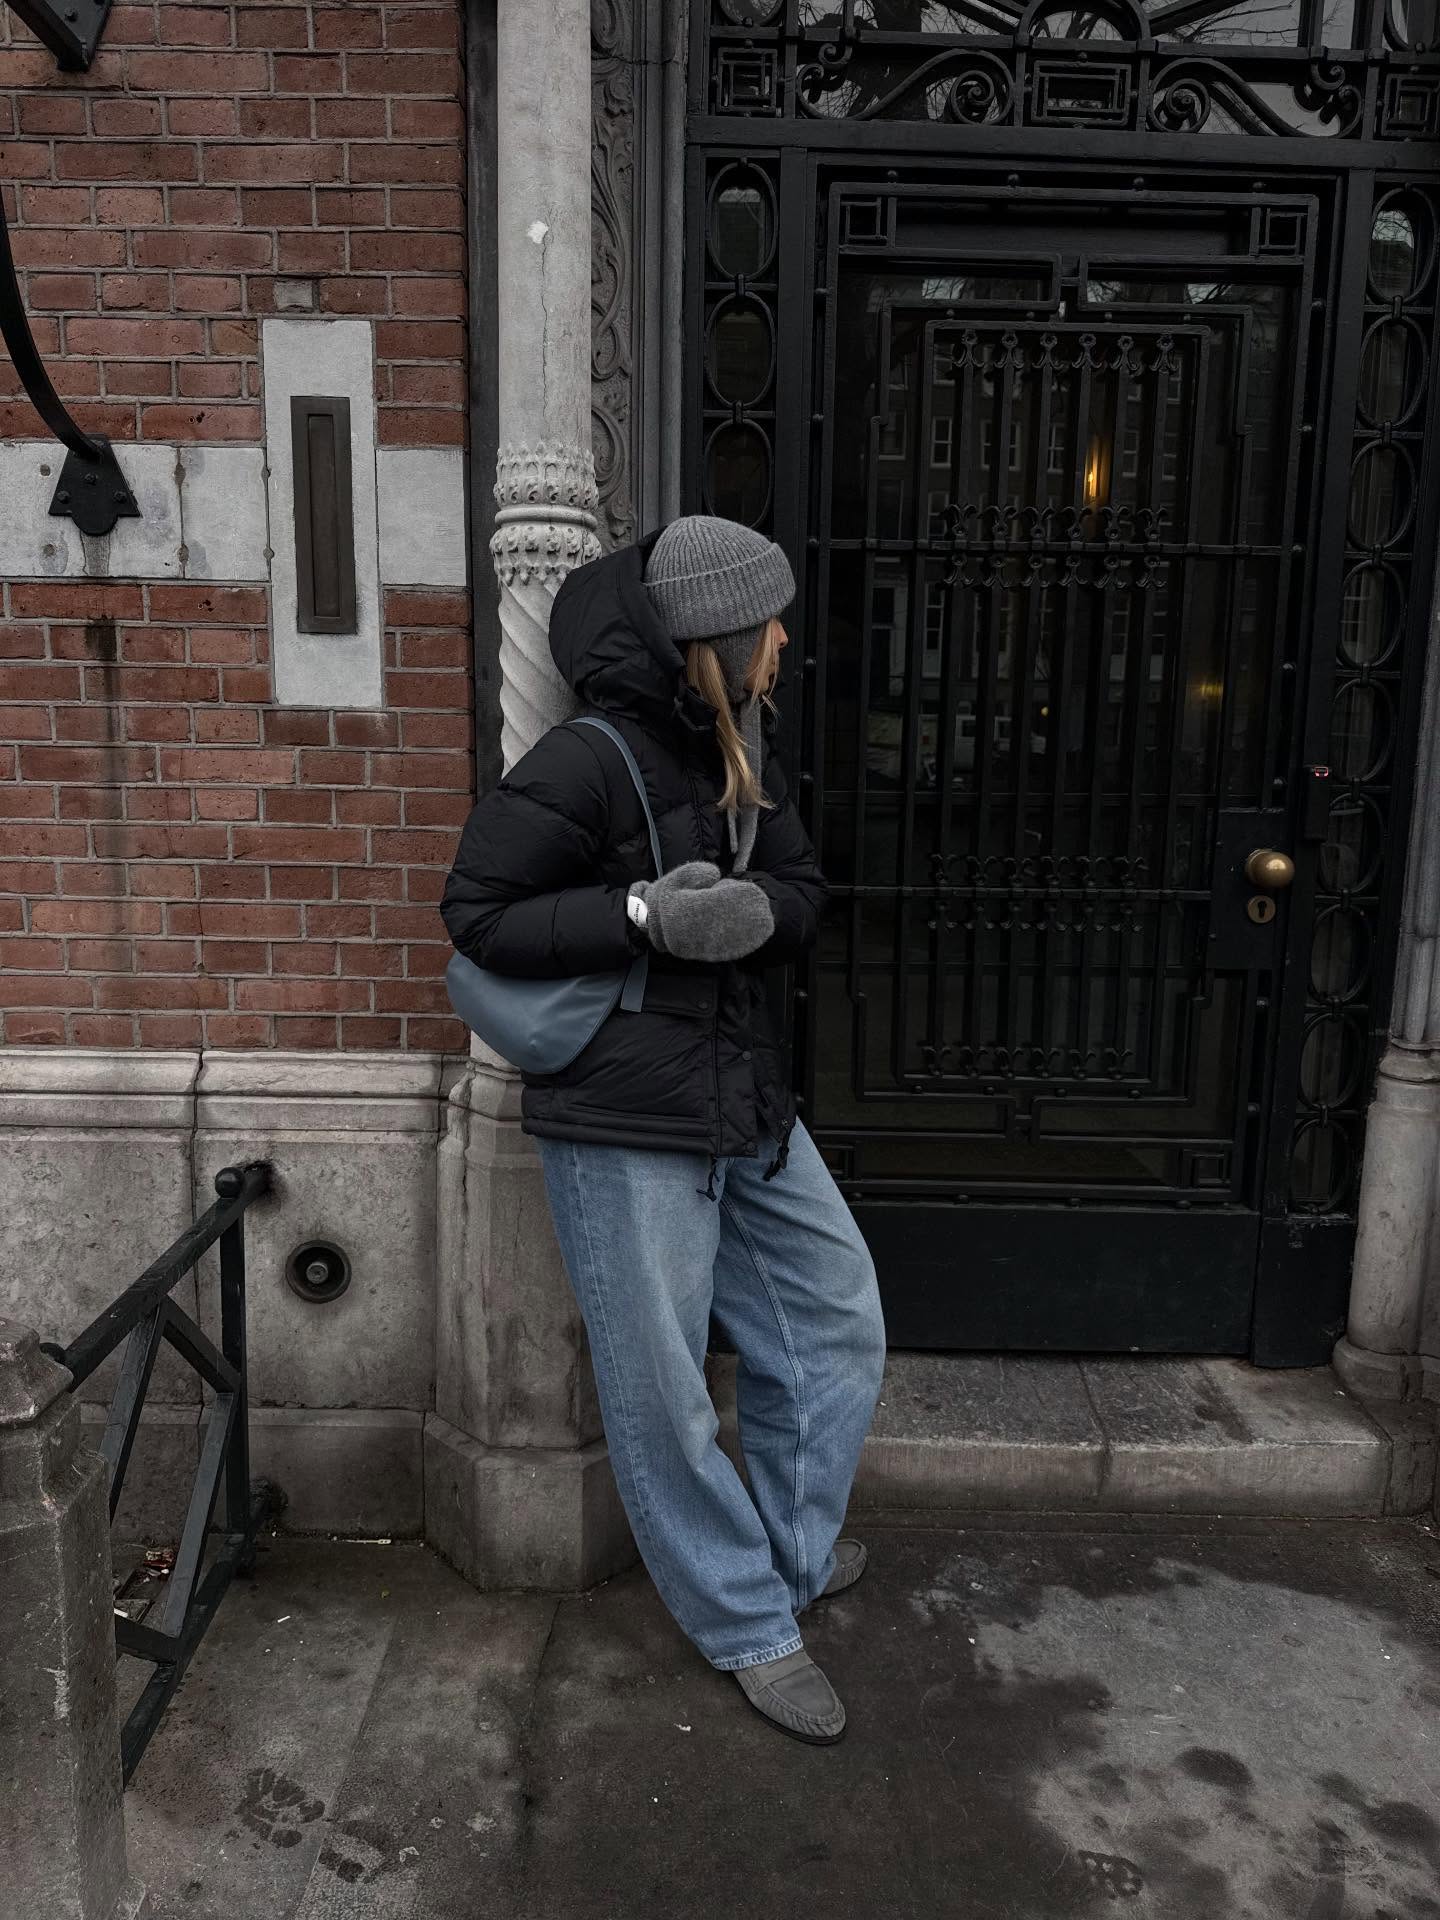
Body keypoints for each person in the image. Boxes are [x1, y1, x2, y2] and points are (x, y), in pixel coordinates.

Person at [441, 515, 888, 1745]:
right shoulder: (587, 761)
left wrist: (751, 914)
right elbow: (477, 911)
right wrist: (641, 912)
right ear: (718, 637)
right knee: (664, 1395)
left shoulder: (741, 747)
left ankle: (786, 1561)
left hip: (742, 1100)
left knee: (838, 1322)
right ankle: (747, 1621)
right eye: (771, 622)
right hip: (627, 1121)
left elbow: (802, 889)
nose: (786, 639)